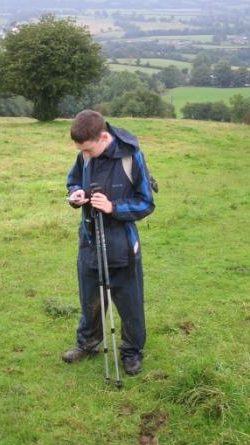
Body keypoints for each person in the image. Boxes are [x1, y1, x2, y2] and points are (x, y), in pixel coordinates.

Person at [62, 109, 155, 375]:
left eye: (89, 149)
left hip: (122, 246)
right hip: (89, 241)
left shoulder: (131, 157)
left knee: (130, 303)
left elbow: (146, 202)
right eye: (81, 151)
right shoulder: (85, 153)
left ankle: (131, 351)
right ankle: (88, 343)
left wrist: (114, 207)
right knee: (89, 298)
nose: (85, 154)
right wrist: (74, 194)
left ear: (104, 137)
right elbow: (72, 181)